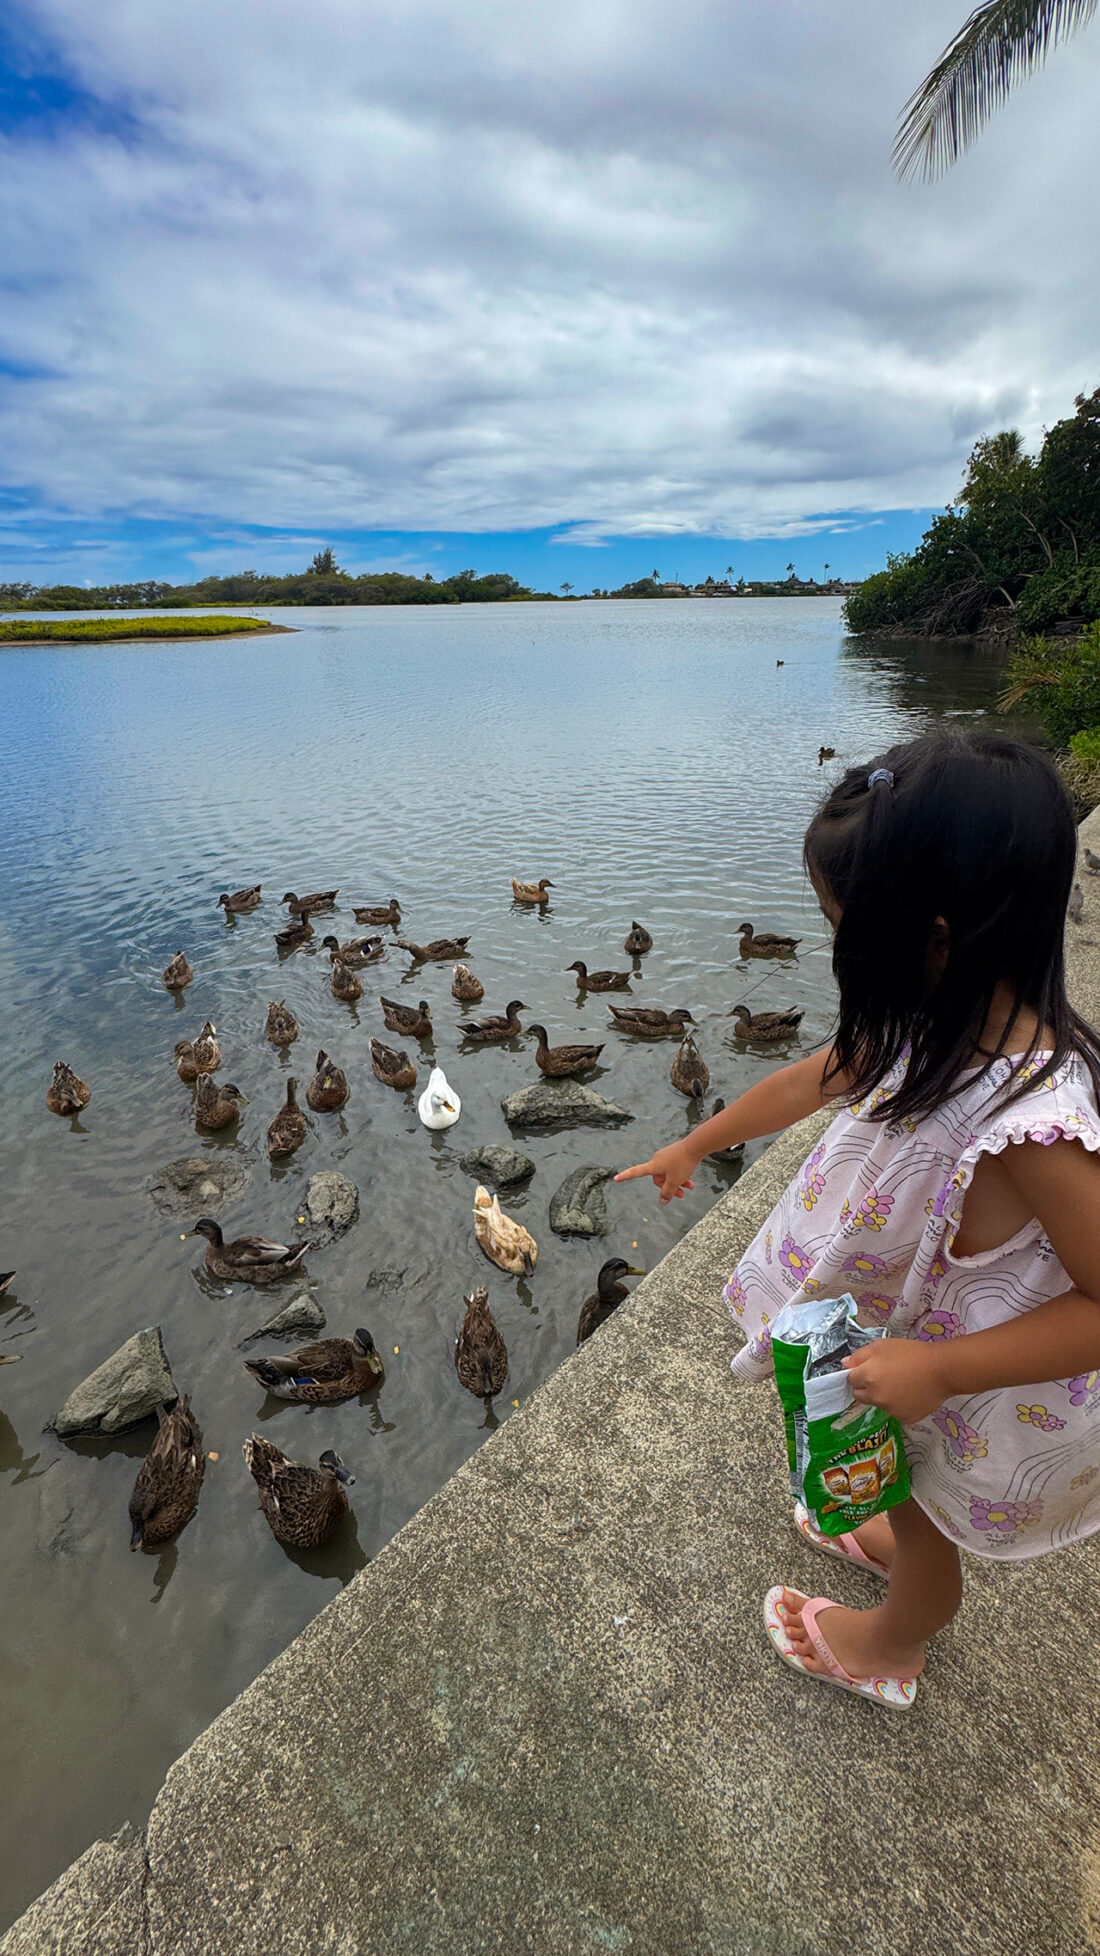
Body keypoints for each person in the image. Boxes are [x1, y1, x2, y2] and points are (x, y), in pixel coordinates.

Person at [616, 730, 1100, 1709]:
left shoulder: (1033, 1130)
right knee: (868, 1463)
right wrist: (693, 1144)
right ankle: (874, 1529)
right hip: (896, 1332)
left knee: (921, 1510)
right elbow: (809, 1077)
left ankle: (892, 1642)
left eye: (840, 925)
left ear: (927, 937)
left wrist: (940, 1371)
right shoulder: (926, 1023)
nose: (835, 947)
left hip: (949, 1375)